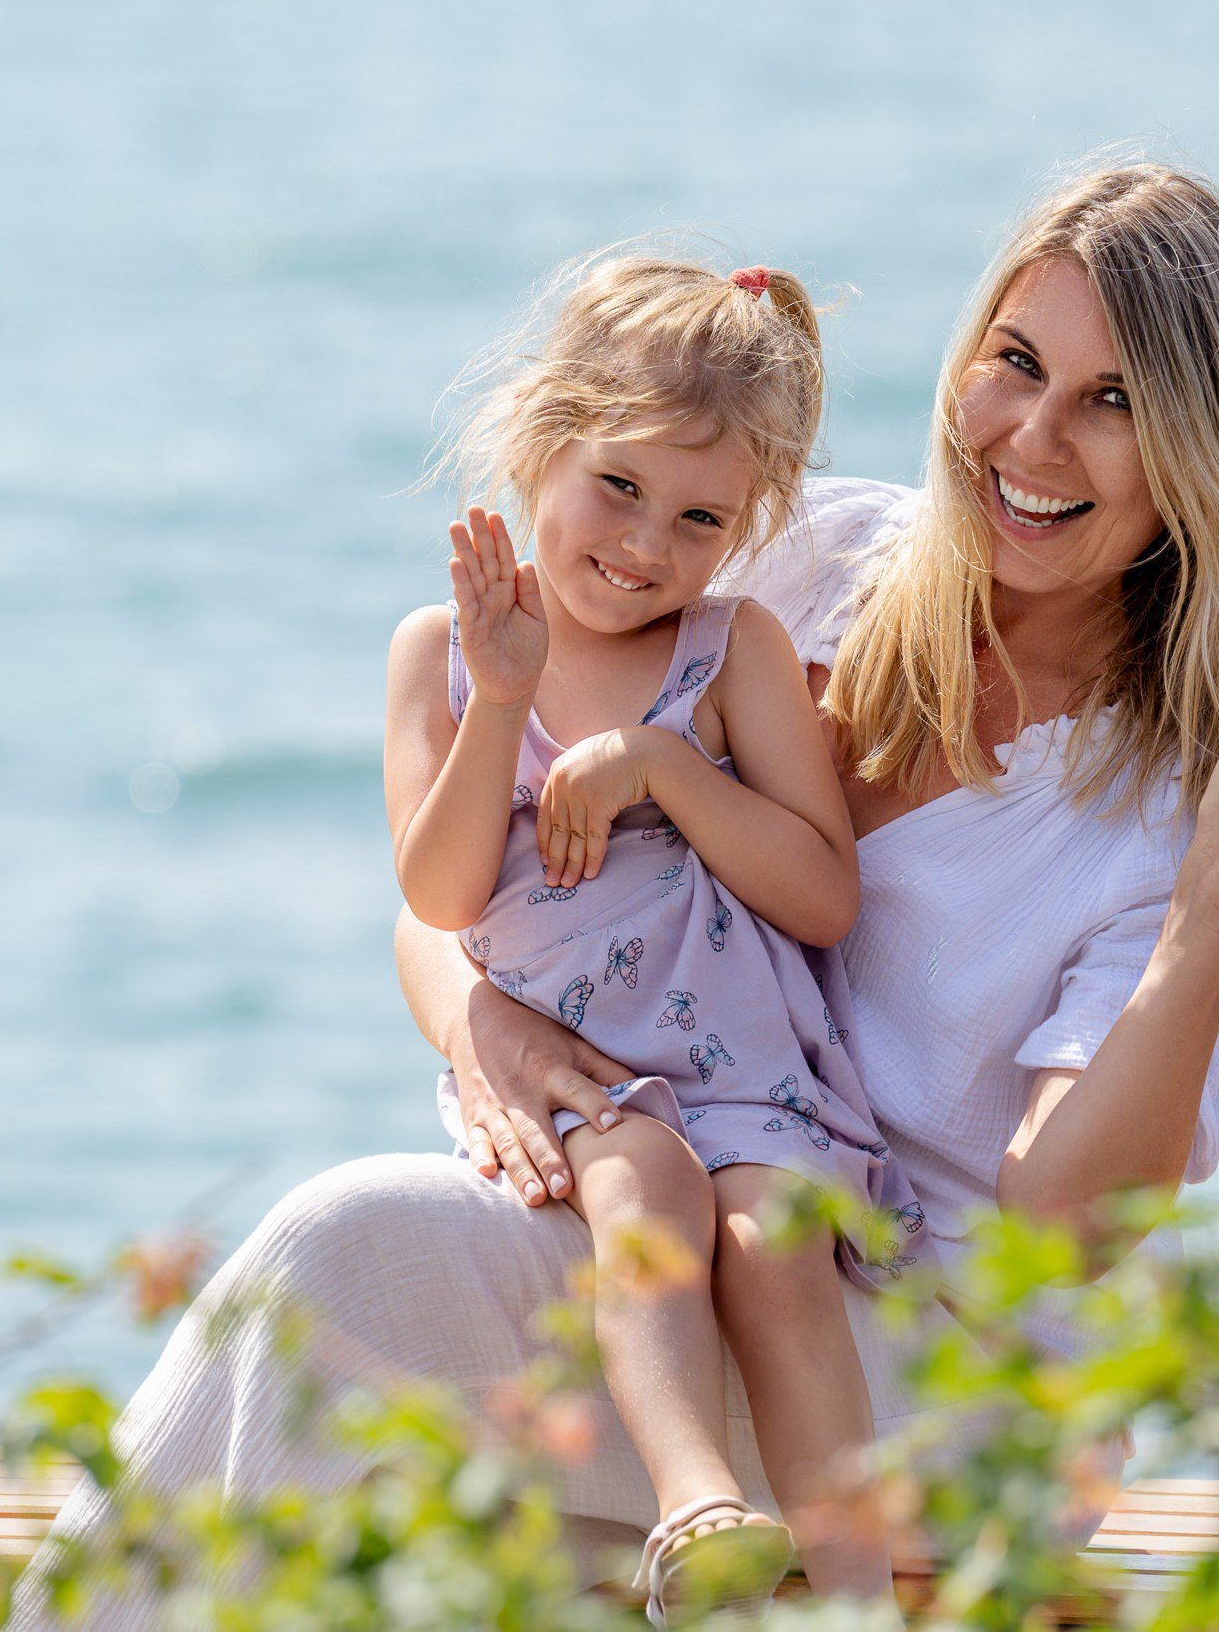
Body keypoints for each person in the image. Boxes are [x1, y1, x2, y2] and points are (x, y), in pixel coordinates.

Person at [8, 161, 1219, 1629]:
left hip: (918, 1356)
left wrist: (1216, 903)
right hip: (667, 1218)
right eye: (1016, 363)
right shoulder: (809, 557)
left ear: (1202, 459)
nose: (1034, 435)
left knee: (352, 1258)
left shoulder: (1195, 801)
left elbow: (1065, 1216)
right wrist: (486, 1034)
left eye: (1114, 401)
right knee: (341, 1350)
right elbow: (467, 893)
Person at [386, 252, 932, 1617]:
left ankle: (859, 1595)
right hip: (573, 1072)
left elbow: (821, 895)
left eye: (700, 518)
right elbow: (442, 894)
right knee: (646, 1195)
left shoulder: (736, 651)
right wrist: (507, 702)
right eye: (618, 487)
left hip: (742, 1064)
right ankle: (701, 1515)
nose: (644, 546)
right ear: (541, 439)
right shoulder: (439, 656)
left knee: (775, 1243)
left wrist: (669, 770)